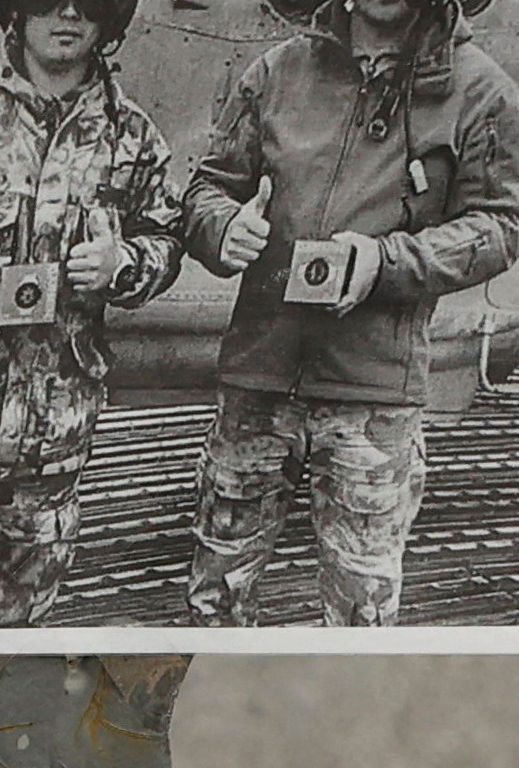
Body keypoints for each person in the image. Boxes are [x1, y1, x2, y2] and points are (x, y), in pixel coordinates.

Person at [181, 0, 519, 624]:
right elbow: (209, 187)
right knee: (216, 597)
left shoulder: (480, 92)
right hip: (258, 379)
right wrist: (222, 227)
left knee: (361, 614)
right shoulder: (277, 72)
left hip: (375, 395)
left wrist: (387, 262)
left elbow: (501, 223)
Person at [0, 0, 187, 625]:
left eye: (90, 1)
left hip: (51, 450)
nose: (67, 13)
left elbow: (166, 242)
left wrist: (124, 264)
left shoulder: (133, 137)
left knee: (15, 643)